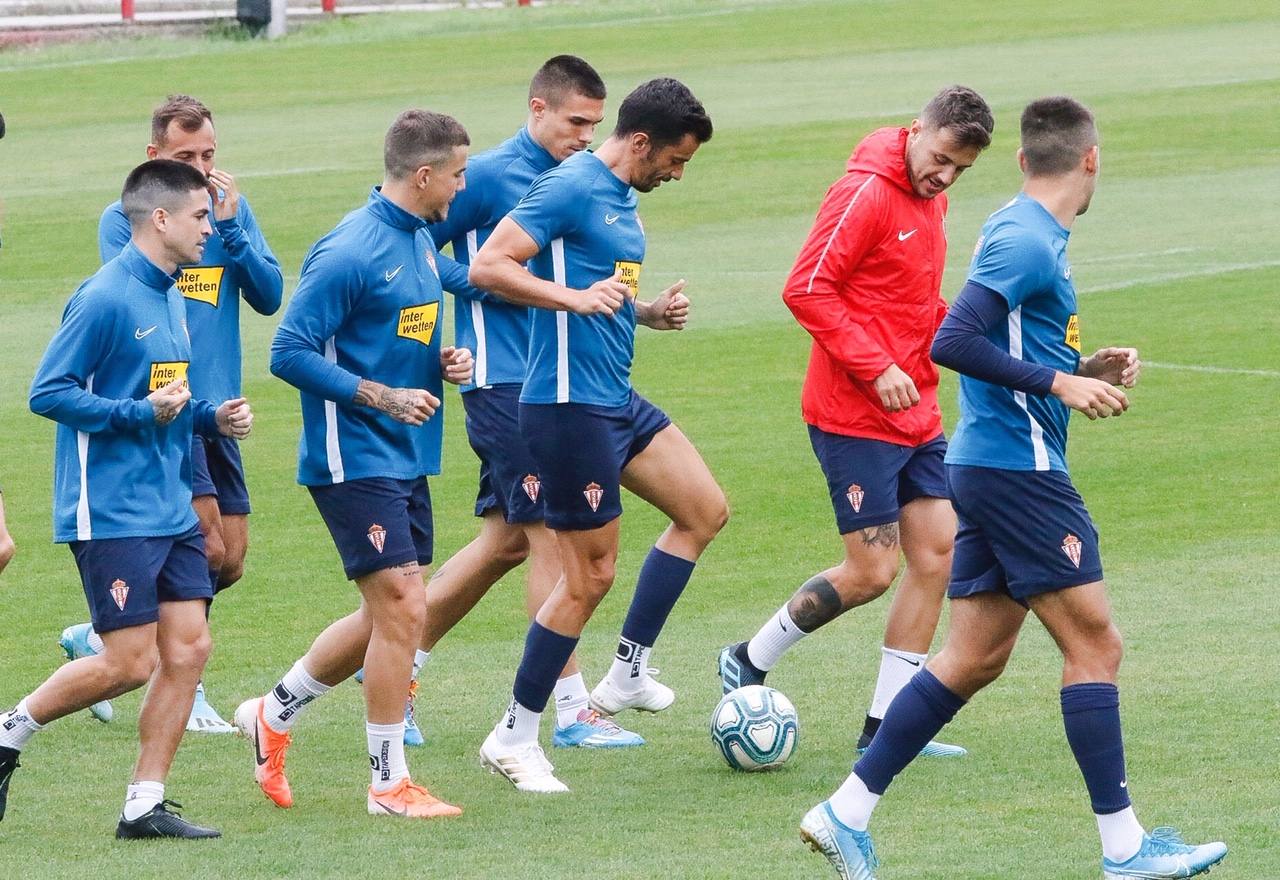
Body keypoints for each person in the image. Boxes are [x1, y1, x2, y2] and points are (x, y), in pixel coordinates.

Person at [800, 96, 1228, 880]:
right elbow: (953, 339)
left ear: (1024, 160)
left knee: (973, 654)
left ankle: (843, 813)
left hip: (987, 463)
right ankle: (1125, 849)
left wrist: (1078, 369)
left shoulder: (1024, 230)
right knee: (1095, 644)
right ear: (1090, 159)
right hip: (1017, 471)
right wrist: (1061, 387)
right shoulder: (1030, 240)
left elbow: (1001, 341)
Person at [718, 86, 995, 761]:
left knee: (938, 556)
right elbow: (806, 286)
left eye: (960, 169)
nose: (945, 176)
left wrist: (984, 343)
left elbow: (917, 302)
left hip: (916, 412)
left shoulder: (933, 202)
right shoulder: (863, 194)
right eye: (940, 158)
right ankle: (748, 658)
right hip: (853, 413)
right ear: (917, 130)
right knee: (873, 571)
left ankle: (888, 727)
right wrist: (875, 367)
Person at [468, 77, 724, 793]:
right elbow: (489, 264)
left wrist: (641, 312)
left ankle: (627, 674)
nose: (675, 174)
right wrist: (573, 299)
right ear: (640, 142)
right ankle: (514, 735)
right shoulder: (571, 186)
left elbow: (596, 283)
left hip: (614, 396)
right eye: (673, 161)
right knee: (590, 577)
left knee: (704, 510)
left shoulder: (619, 197)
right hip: (565, 405)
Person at [390, 55, 650, 751]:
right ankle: (566, 709)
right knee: (549, 538)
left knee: (503, 542)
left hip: (550, 376)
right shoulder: (493, 175)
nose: (585, 135)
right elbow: (416, 240)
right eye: (574, 121)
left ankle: (396, 668)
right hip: (504, 379)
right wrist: (478, 288)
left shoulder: (586, 181)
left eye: (596, 124)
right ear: (538, 109)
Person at [2, 159, 253, 838]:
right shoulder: (105, 296)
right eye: (201, 216)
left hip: (168, 503)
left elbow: (168, 394)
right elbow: (47, 392)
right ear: (161, 219)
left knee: (189, 650)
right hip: (110, 506)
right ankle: (9, 732)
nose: (212, 227)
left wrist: (211, 417)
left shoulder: (172, 292)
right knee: (129, 660)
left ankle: (143, 804)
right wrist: (140, 415)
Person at [233, 109, 473, 820]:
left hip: (405, 453)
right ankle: (387, 783)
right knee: (402, 609)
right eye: (457, 175)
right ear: (424, 174)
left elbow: (398, 330)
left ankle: (272, 715)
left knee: (393, 614)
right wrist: (379, 395)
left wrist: (439, 362)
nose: (462, 189)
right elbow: (288, 351)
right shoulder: (350, 250)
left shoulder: (422, 240)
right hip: (352, 454)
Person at [61, 94, 283, 732]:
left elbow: (268, 296)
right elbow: (132, 306)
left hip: (218, 412)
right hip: (171, 409)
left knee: (230, 558)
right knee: (203, 546)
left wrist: (234, 227)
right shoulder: (126, 223)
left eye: (209, 154)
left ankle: (103, 632)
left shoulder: (224, 217)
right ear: (154, 157)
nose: (201, 167)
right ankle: (175, 671)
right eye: (186, 156)